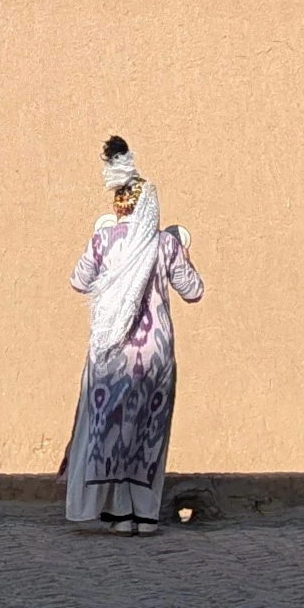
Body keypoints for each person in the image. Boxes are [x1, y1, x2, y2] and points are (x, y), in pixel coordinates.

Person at [65, 136, 205, 535]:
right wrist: (184, 251)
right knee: (148, 430)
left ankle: (118, 512)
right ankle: (144, 514)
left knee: (112, 431)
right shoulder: (165, 246)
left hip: (112, 353)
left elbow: (78, 281)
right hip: (156, 356)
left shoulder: (103, 241)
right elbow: (193, 291)